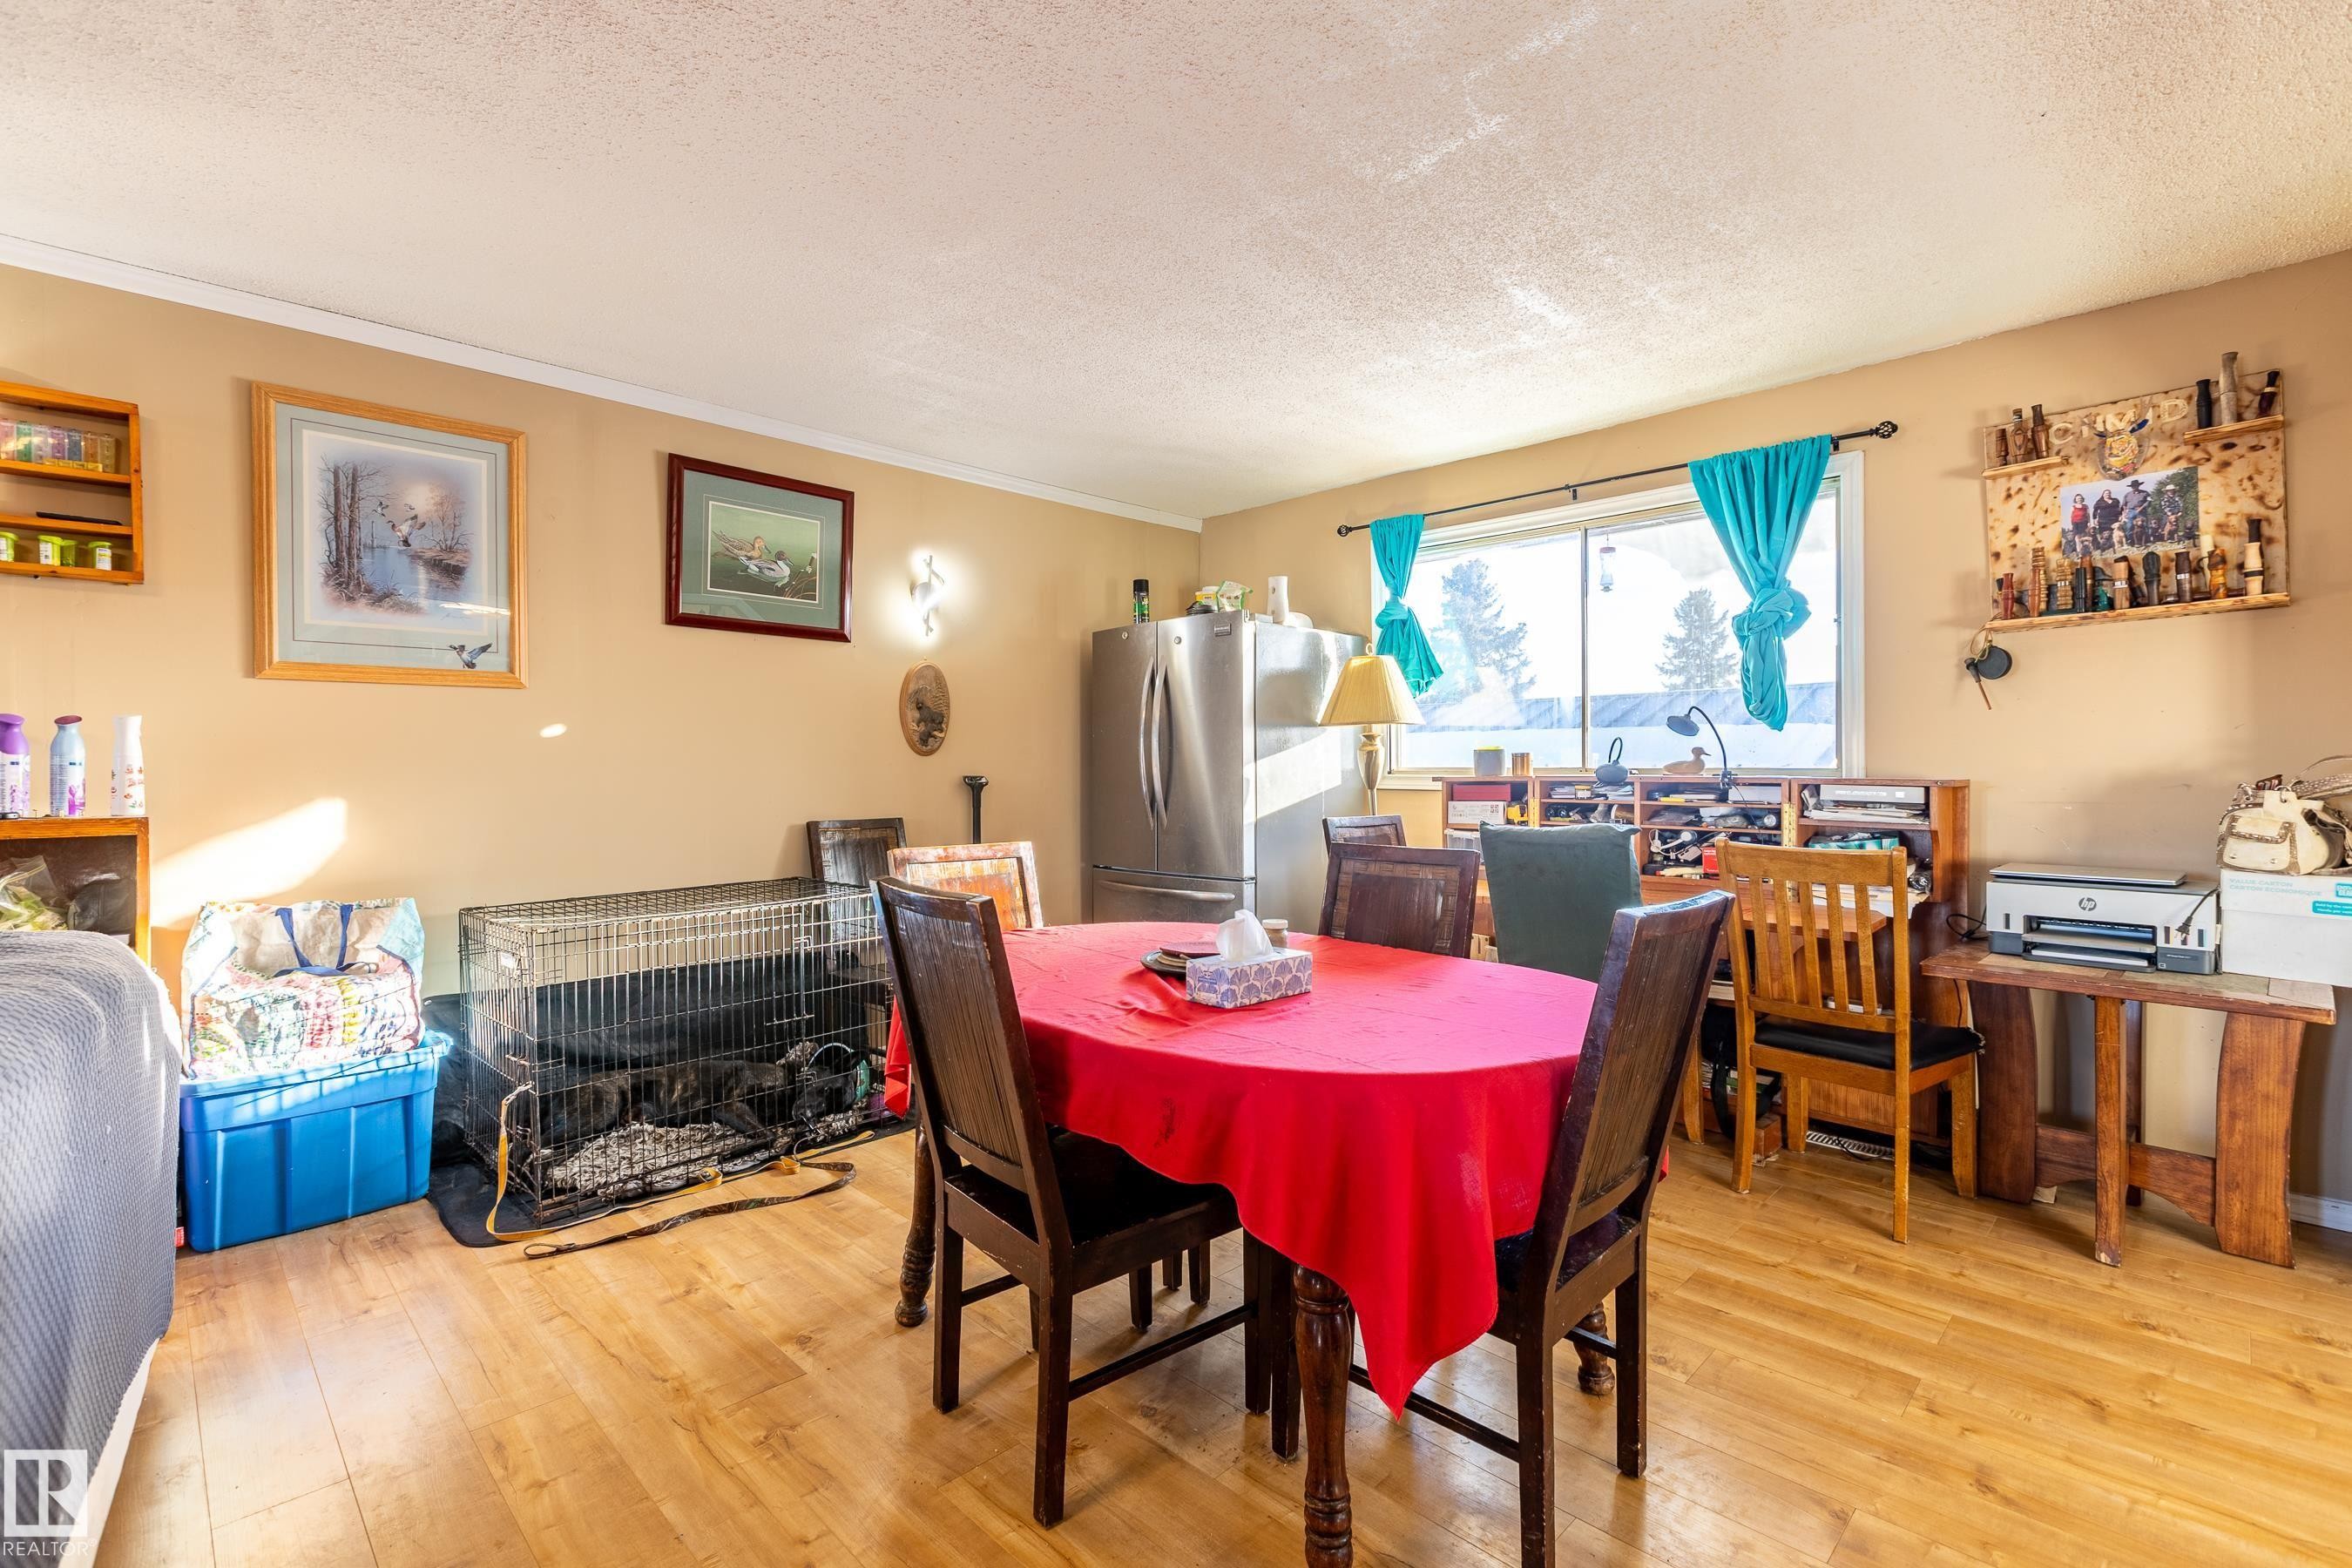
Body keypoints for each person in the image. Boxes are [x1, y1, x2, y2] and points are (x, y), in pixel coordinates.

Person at [2120, 478, 2153, 547]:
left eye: (2136, 486)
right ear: (2131, 487)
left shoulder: (2145, 493)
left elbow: (2149, 501)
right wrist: (2125, 513)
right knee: (2129, 526)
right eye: (2133, 486)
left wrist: (2141, 508)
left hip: (2141, 511)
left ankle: (2147, 541)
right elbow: (2124, 505)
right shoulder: (2127, 495)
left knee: (2145, 526)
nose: (2134, 487)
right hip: (2130, 511)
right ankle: (2132, 541)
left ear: (2139, 486)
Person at [2091, 488, 2124, 554]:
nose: (2107, 494)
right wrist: (2094, 519)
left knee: (2114, 533)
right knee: (2103, 534)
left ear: (2110, 494)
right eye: (2106, 493)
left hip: (2114, 519)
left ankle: (2114, 546)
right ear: (2103, 495)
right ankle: (2103, 547)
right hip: (2103, 520)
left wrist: (2120, 515)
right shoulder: (2099, 502)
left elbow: (2120, 508)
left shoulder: (2115, 500)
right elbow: (2095, 511)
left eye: (2109, 493)